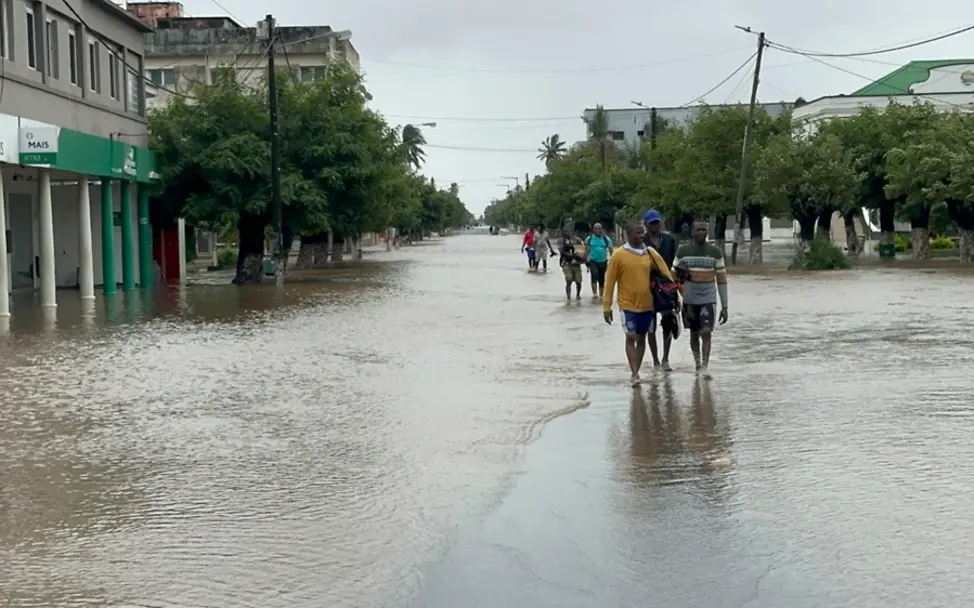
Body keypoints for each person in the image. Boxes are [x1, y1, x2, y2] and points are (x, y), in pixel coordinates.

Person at [603, 220, 674, 387]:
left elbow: (666, 275)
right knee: (630, 336)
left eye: (642, 232)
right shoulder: (618, 255)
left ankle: (637, 369)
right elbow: (610, 282)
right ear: (628, 234)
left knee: (642, 337)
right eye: (637, 233)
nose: (641, 235)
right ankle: (634, 373)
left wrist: (675, 297)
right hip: (627, 305)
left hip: (648, 304)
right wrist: (607, 307)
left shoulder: (650, 253)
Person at [672, 219, 728, 379]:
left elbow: (722, 280)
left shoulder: (715, 252)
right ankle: (697, 363)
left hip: (708, 299)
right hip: (689, 299)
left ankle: (704, 366)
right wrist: (680, 277)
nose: (702, 233)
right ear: (692, 232)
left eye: (704, 230)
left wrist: (725, 306)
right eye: (699, 230)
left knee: (706, 332)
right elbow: (672, 275)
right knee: (694, 333)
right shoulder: (682, 251)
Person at [642, 209, 680, 372]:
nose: (655, 226)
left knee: (669, 323)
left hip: (667, 287)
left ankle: (666, 358)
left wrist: (677, 285)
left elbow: (676, 263)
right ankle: (656, 360)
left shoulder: (670, 240)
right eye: (652, 224)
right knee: (651, 326)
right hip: (647, 287)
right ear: (646, 225)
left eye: (657, 223)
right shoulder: (641, 242)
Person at [584, 223, 613, 299]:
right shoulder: (589, 239)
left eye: (599, 228)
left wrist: (612, 261)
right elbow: (586, 251)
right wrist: (585, 260)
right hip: (593, 260)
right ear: (593, 230)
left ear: (602, 229)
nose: (598, 230)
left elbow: (611, 251)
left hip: (603, 261)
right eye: (596, 228)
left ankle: (601, 295)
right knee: (594, 275)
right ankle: (595, 294)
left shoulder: (606, 239)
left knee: (601, 278)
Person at [559, 229, 585, 300]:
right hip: (567, 263)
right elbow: (561, 251)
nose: (567, 233)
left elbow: (582, 251)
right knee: (568, 280)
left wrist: (579, 258)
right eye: (565, 232)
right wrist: (571, 255)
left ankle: (578, 295)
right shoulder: (562, 241)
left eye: (568, 232)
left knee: (578, 281)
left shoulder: (577, 240)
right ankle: (568, 297)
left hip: (576, 263)